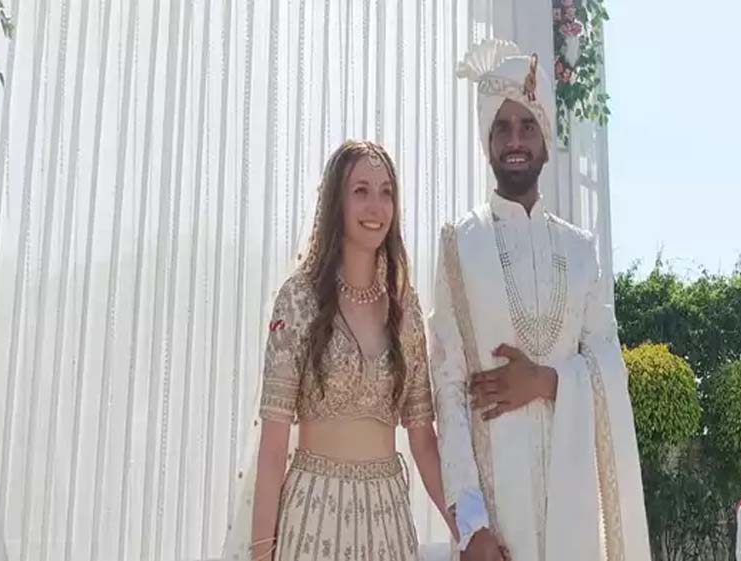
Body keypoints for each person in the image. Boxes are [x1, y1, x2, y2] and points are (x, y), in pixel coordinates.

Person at [429, 39, 651, 561]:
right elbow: (448, 387)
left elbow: (609, 364)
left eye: (528, 126)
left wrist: (547, 382)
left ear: (546, 141)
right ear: (487, 142)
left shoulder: (580, 251)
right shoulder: (460, 245)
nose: (515, 140)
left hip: (572, 504)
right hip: (496, 515)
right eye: (502, 127)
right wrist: (471, 526)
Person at [250, 140, 455, 561]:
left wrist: (466, 530)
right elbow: (272, 449)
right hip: (313, 516)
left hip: (386, 520)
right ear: (336, 202)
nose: (376, 206)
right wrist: (260, 554)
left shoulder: (405, 307)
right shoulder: (300, 300)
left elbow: (423, 441)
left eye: (386, 192)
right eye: (361, 190)